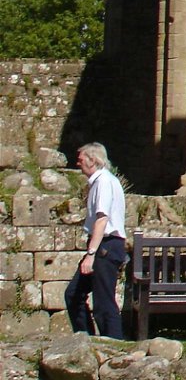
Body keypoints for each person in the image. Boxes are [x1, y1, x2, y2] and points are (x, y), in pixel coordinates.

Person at [65, 142, 127, 338]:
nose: (78, 163)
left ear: (93, 160)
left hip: (105, 246)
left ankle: (114, 344)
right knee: (74, 294)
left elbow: (102, 219)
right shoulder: (103, 182)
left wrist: (91, 254)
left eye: (81, 159)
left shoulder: (103, 182)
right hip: (103, 245)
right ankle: (87, 339)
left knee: (103, 302)